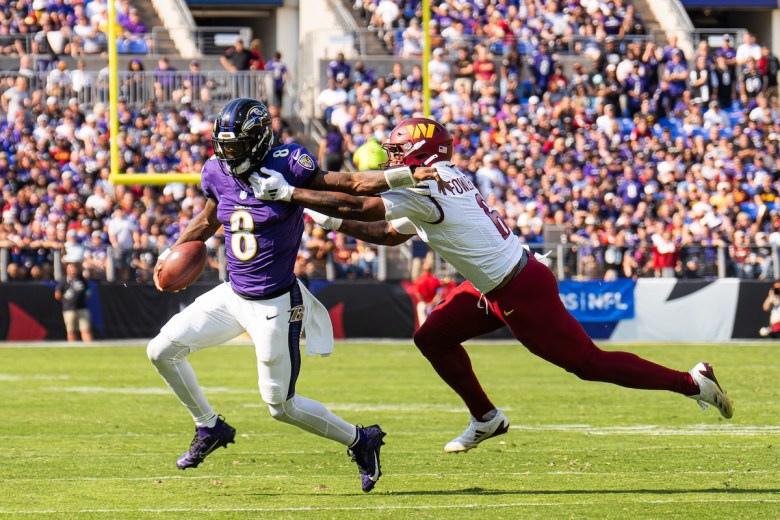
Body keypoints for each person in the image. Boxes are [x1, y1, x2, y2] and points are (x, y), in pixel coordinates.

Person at [250, 117, 734, 454]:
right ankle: (486, 418)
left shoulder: (425, 187)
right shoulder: (443, 178)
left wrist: (295, 194)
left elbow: (361, 204)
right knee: (432, 335)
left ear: (419, 154)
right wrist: (326, 220)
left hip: (518, 289)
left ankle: (692, 383)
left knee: (589, 365)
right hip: (497, 284)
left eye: (399, 151)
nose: (391, 158)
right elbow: (382, 232)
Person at [145, 98, 442, 493]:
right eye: (223, 145)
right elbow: (206, 219)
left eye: (235, 146)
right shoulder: (216, 170)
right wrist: (171, 251)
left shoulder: (289, 163)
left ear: (258, 139)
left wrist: (406, 175)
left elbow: (350, 184)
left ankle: (361, 439)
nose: (227, 154)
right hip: (232, 295)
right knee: (161, 350)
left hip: (274, 303)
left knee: (280, 406)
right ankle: (209, 425)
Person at [54, 262, 93, 342]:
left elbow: (88, 291)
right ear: (67, 270)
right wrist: (67, 301)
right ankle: (72, 348)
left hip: (82, 308)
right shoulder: (63, 280)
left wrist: (85, 295)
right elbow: (57, 294)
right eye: (71, 268)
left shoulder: (81, 279)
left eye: (74, 268)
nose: (73, 270)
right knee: (71, 330)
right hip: (68, 309)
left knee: (85, 329)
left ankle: (89, 348)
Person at [413, 257, 442, 326]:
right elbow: (439, 293)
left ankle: (424, 332)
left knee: (422, 321)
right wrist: (431, 303)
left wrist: (426, 303)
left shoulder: (419, 279)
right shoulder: (435, 279)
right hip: (434, 304)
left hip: (424, 304)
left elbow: (417, 293)